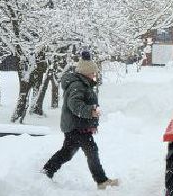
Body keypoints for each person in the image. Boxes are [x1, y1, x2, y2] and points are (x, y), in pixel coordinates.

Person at [42, 56, 119, 188]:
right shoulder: (78, 85)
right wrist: (91, 111)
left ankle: (46, 171)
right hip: (77, 126)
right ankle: (101, 180)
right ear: (85, 72)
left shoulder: (84, 84)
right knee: (91, 151)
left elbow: (88, 104)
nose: (95, 74)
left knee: (67, 152)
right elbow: (75, 105)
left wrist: (93, 123)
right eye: (93, 72)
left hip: (79, 126)